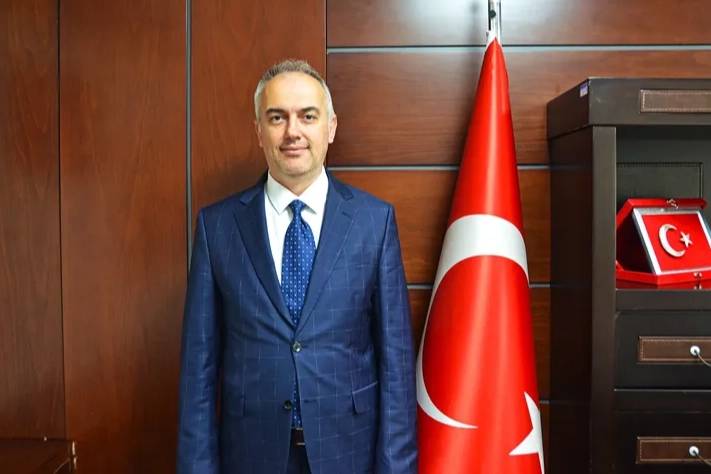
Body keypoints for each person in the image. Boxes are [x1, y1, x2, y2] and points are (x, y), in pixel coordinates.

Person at [176, 58, 418, 474]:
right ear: (259, 131)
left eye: (308, 116)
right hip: (250, 458)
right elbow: (198, 374)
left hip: (349, 455)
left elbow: (396, 367)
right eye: (277, 117)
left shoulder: (374, 222)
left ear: (331, 127)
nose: (293, 131)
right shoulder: (217, 228)